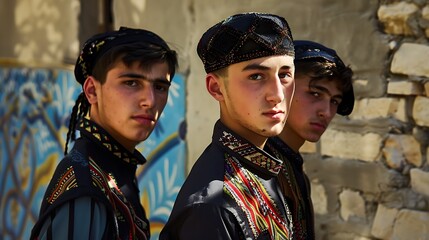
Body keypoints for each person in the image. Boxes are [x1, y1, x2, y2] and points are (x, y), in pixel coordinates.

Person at [30, 27, 178, 240]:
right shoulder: (86, 189)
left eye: (160, 87)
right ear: (92, 91)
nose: (150, 101)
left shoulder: (115, 167)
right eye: (131, 83)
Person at [160, 12, 296, 239]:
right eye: (256, 76)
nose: (277, 94)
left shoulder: (268, 166)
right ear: (216, 88)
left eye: (284, 75)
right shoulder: (211, 206)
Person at [268, 40, 354, 239]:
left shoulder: (292, 169)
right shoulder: (253, 170)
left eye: (334, 101)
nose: (327, 112)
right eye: (315, 93)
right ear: (283, 89)